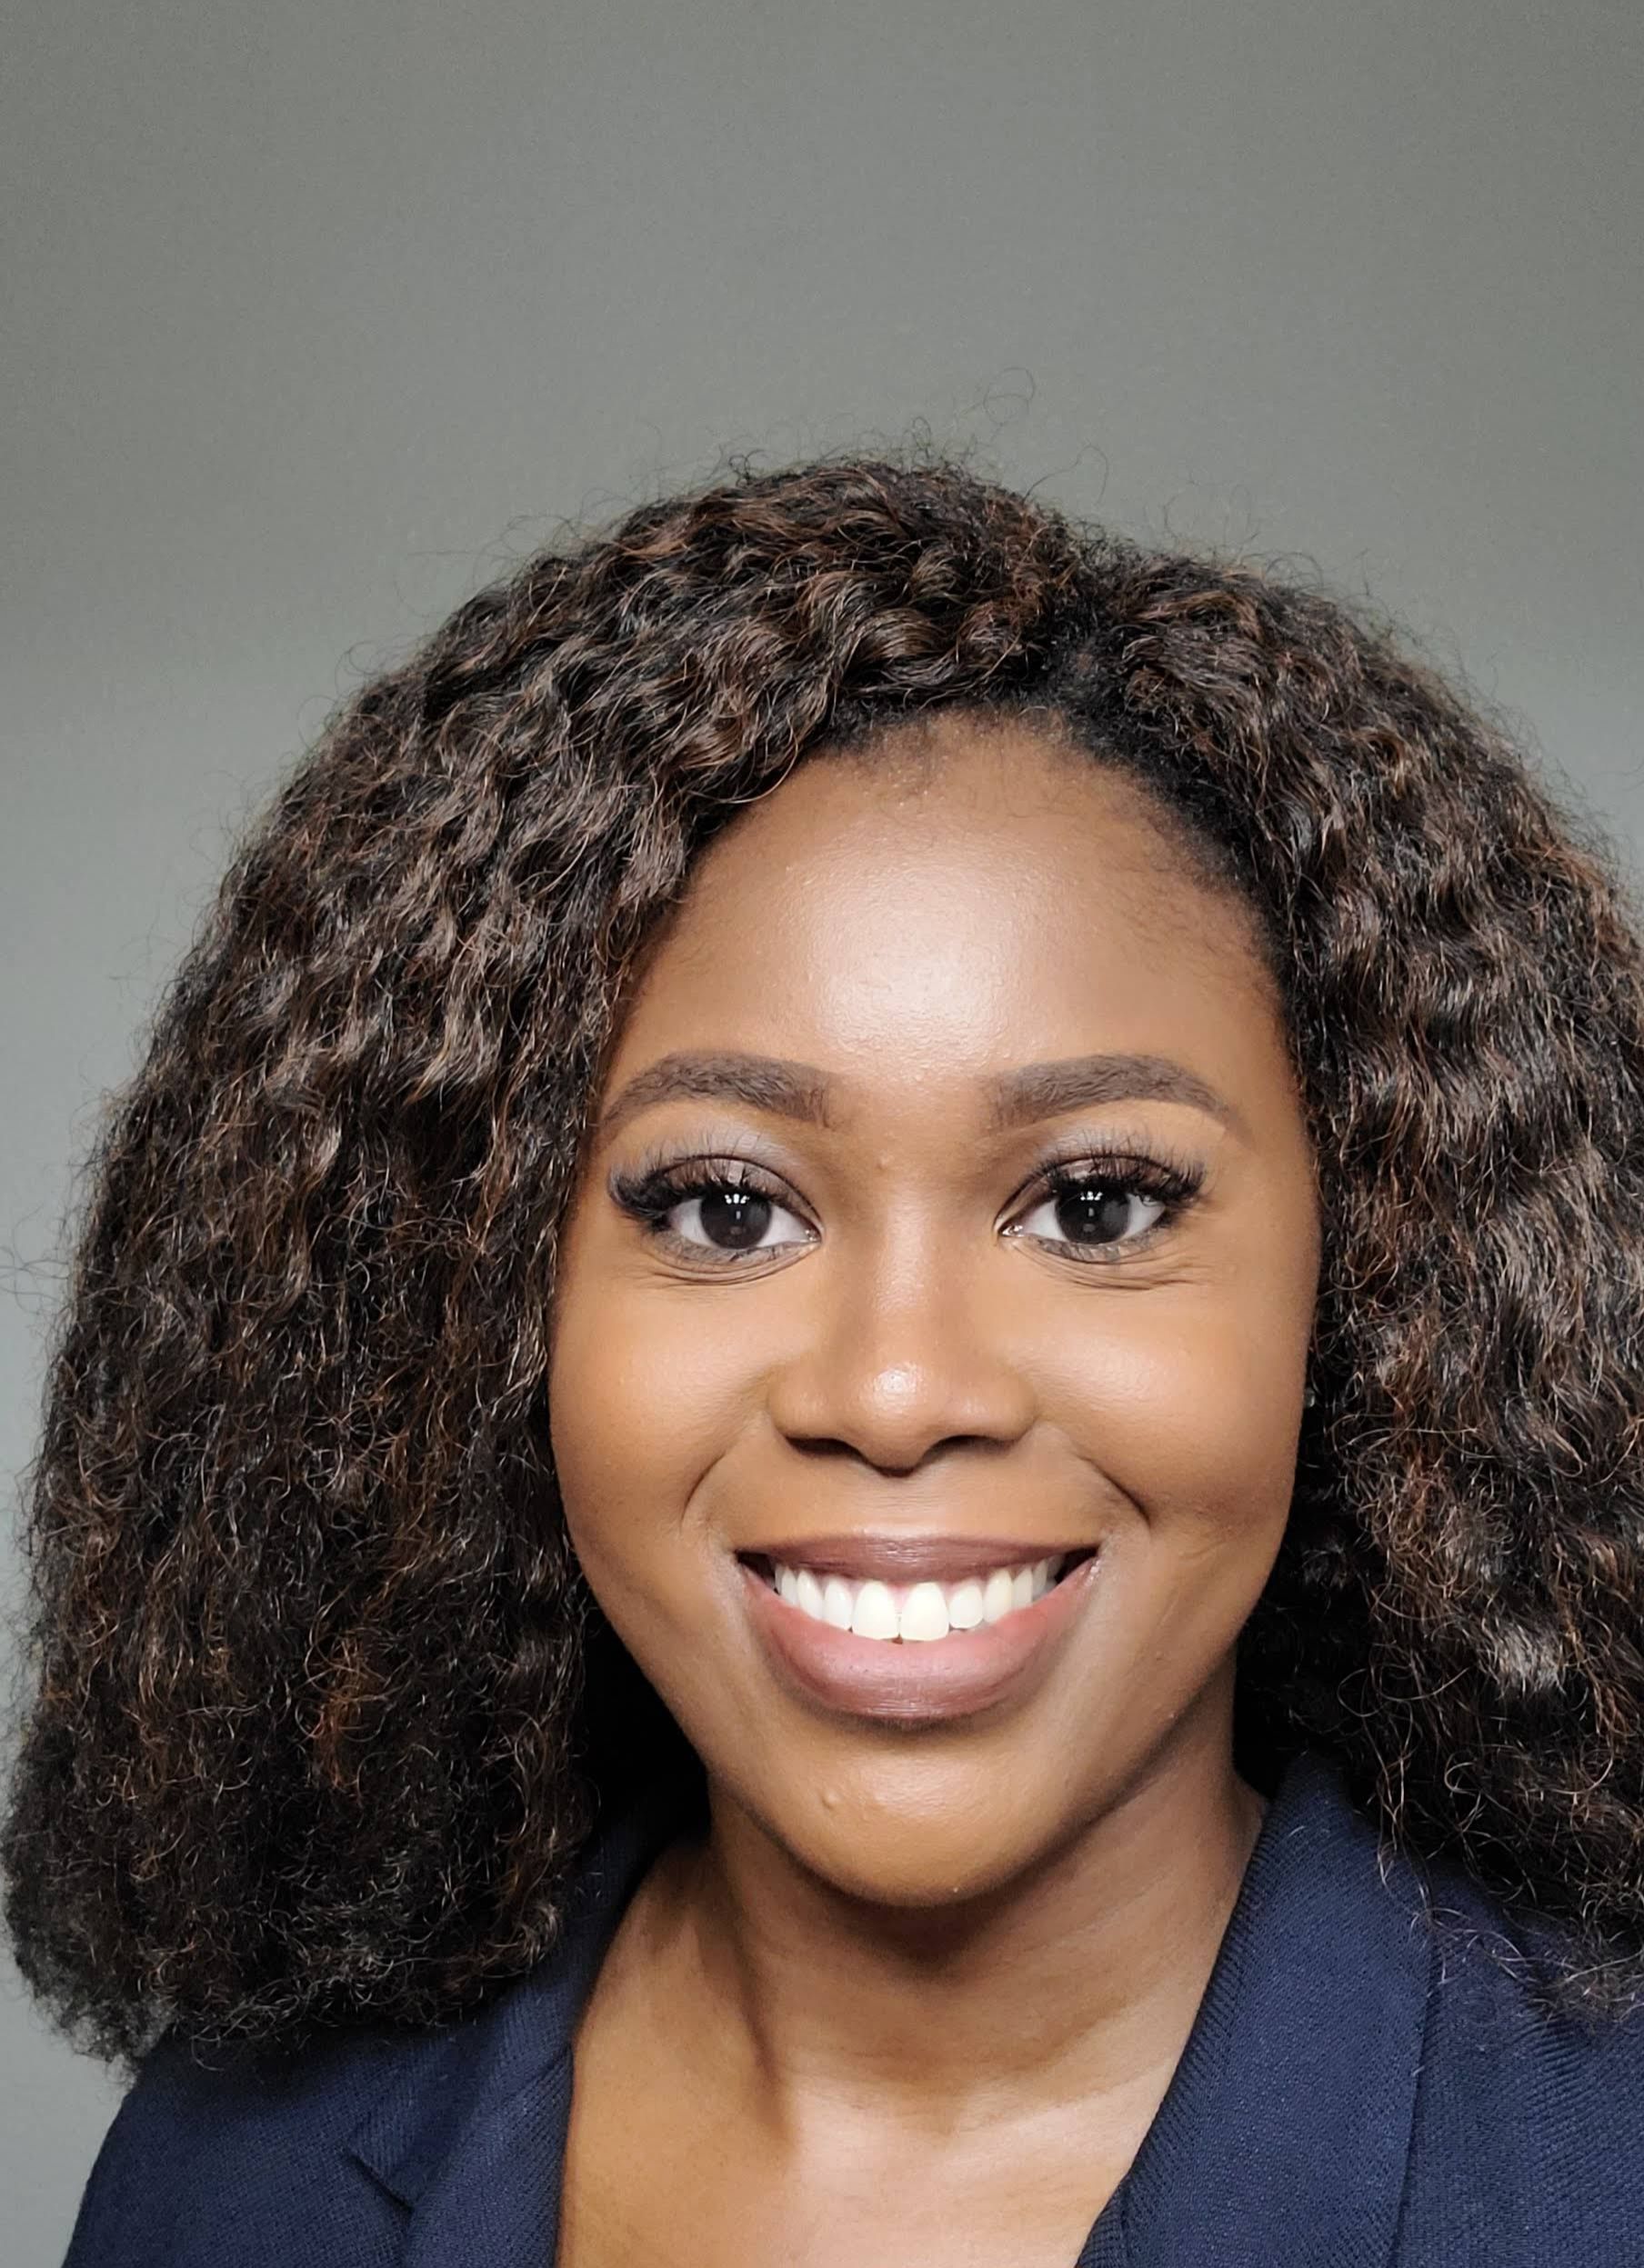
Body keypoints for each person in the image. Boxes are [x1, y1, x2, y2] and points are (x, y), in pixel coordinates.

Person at [9, 455, 1644, 2268]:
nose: (892, 1391)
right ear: (482, 1309)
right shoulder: (228, 2180)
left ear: (1367, 1284)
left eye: (1095, 1207)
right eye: (724, 1211)